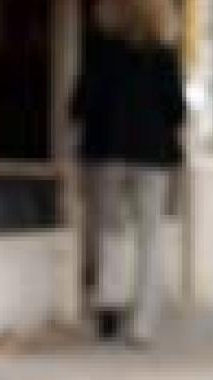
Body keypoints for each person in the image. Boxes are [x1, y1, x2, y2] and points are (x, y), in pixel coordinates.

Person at [68, 0, 184, 344]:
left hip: (108, 152)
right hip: (152, 155)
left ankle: (109, 304)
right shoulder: (164, 56)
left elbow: (80, 103)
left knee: (110, 231)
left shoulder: (100, 52)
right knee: (149, 238)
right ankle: (143, 321)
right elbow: (176, 110)